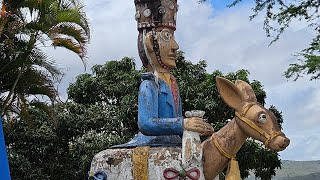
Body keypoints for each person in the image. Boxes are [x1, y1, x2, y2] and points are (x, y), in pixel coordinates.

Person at [113, 0, 213, 148]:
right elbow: (146, 123)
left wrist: (198, 127)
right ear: (149, 43)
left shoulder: (172, 83)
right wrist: (184, 124)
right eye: (167, 36)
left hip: (174, 143)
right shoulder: (149, 84)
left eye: (172, 37)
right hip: (153, 145)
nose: (175, 46)